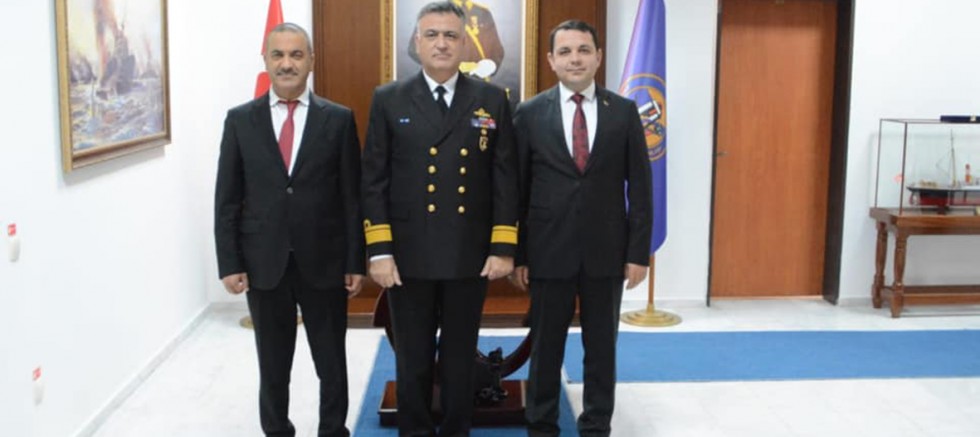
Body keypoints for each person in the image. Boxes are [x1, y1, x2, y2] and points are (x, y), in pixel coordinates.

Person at [361, 2, 518, 435]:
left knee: (459, 356)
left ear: (464, 42)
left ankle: (455, 429)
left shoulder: (491, 99)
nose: (442, 43)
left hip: (469, 254)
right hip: (407, 256)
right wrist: (380, 250)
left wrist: (503, 246)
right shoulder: (389, 99)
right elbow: (373, 180)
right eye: (432, 34)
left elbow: (505, 177)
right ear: (417, 42)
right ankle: (414, 430)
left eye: (451, 35)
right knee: (412, 356)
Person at [214, 23, 364, 437]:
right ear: (265, 60)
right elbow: (227, 198)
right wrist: (230, 262)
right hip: (264, 263)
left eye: (296, 55)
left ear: (311, 61)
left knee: (331, 361)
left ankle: (332, 429)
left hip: (325, 261)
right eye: (278, 55)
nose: (287, 64)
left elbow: (353, 199)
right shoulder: (240, 121)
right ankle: (277, 429)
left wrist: (355, 261)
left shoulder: (338, 119)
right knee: (273, 362)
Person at [511, 20, 653, 437]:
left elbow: (641, 187)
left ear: (598, 57)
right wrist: (519, 254)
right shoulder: (529, 113)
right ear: (551, 60)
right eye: (566, 51)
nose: (575, 58)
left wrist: (637, 253)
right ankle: (541, 424)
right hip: (547, 250)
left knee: (602, 347)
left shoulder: (623, 111)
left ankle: (596, 424)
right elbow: (517, 190)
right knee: (545, 345)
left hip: (607, 251)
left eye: (584, 50)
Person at [407, 0, 505, 80]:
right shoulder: (434, 13)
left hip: (477, 80)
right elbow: (414, 48)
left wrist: (488, 67)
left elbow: (497, 51)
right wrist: (442, 65)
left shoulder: (483, 13)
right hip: (444, 80)